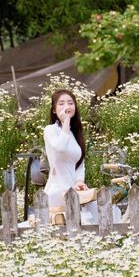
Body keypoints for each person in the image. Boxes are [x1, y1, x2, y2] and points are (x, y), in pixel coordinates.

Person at [43, 89, 98, 224]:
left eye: (70, 103)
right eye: (61, 103)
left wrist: (79, 181)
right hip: (58, 188)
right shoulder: (50, 130)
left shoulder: (74, 134)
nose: (67, 107)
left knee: (96, 209)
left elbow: (79, 162)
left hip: (73, 188)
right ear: (54, 110)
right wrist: (66, 122)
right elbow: (60, 147)